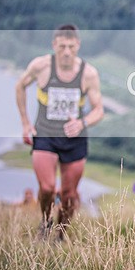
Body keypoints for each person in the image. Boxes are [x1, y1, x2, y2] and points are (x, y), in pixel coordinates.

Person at [15, 24, 103, 240]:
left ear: (78, 46)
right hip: (45, 134)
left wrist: (82, 123)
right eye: (62, 46)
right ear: (54, 44)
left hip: (74, 140)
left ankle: (61, 233)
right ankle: (45, 223)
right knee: (46, 188)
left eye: (71, 47)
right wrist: (26, 123)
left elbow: (99, 110)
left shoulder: (88, 74)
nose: (66, 52)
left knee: (69, 195)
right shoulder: (41, 66)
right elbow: (20, 86)